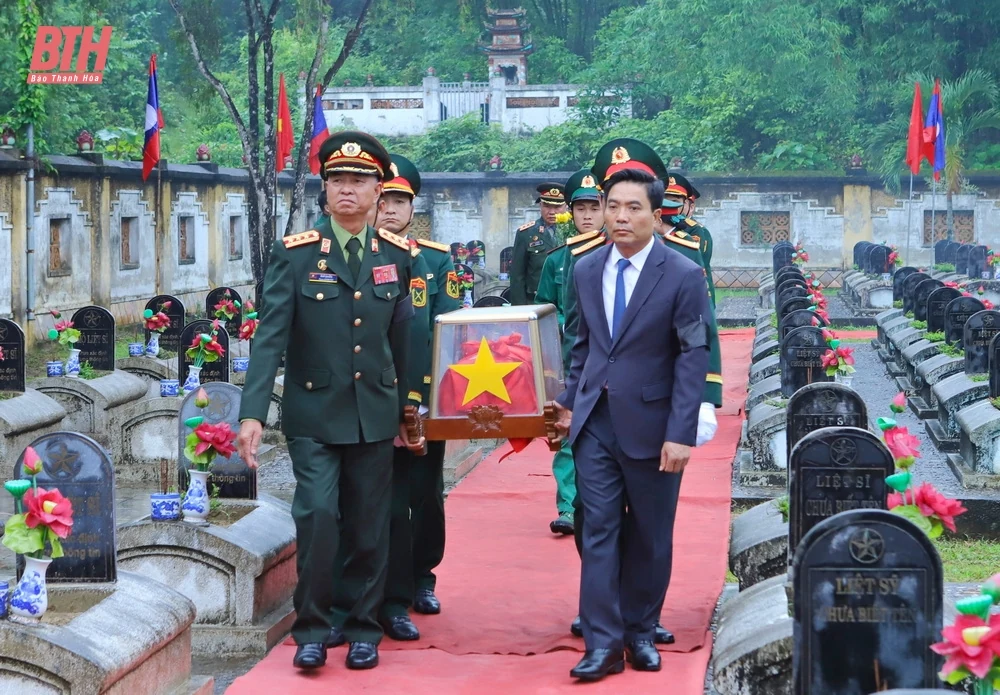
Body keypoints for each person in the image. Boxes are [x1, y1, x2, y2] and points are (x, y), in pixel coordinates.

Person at [237, 130, 424, 672]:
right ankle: (314, 628)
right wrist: (252, 413)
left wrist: (409, 408)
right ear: (325, 191)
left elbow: (403, 341)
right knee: (318, 516)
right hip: (313, 414)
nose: (348, 190)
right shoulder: (295, 255)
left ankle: (364, 627)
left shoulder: (396, 255)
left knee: (370, 523)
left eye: (359, 181)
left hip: (375, 414)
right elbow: (269, 337)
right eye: (338, 180)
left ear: (377, 192)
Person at [551, 140, 710, 682]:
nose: (619, 217)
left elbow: (694, 353)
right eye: (612, 206)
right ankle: (602, 643)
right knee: (595, 529)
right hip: (595, 423)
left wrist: (682, 431)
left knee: (649, 532)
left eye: (632, 207)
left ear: (655, 213)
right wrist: (569, 408)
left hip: (654, 424)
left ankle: (642, 630)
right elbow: (582, 347)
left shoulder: (683, 274)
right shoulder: (586, 268)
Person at [328, 154, 461, 645]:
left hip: (420, 400)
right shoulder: (349, 254)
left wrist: (430, 401)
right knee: (365, 505)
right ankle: (369, 597)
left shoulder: (434, 260)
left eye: (399, 201)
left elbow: (447, 336)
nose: (389, 209)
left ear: (411, 207)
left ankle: (418, 580)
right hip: (362, 403)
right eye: (383, 199)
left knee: (420, 497)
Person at [534, 169, 603, 535]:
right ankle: (568, 505)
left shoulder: (615, 253)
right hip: (565, 361)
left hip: (606, 364)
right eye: (581, 208)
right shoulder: (556, 260)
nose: (588, 215)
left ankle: (599, 503)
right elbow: (544, 307)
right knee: (566, 432)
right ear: (571, 213)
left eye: (595, 206)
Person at [509, 183, 567, 304]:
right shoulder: (526, 233)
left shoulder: (574, 231)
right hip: (535, 301)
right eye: (547, 206)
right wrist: (520, 310)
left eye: (557, 207)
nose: (552, 212)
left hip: (566, 300)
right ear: (540, 205)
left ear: (566, 206)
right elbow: (517, 276)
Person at [663, 173, 715, 306]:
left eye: (674, 202)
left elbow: (694, 263)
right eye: (664, 200)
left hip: (696, 295)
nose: (668, 205)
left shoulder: (696, 231)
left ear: (686, 205)